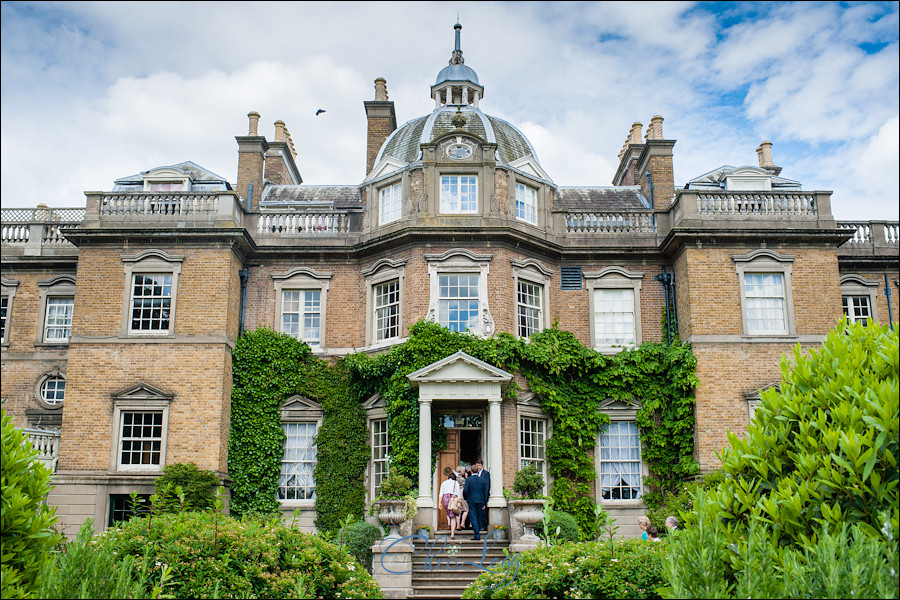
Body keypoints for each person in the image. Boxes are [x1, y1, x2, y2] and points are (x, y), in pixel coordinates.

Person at [463, 463, 489, 540]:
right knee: (479, 517)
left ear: (471, 471)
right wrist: (484, 502)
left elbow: (465, 490)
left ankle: (477, 534)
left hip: (471, 500)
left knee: (473, 517)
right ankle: (477, 532)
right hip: (480, 500)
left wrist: (466, 498)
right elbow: (485, 491)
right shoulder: (482, 480)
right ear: (478, 471)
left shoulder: (469, 479)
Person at [439, 472, 461, 539]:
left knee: (448, 511)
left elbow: (440, 494)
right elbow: (459, 493)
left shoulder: (444, 483)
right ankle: (452, 533)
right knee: (453, 517)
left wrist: (439, 503)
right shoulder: (456, 483)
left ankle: (449, 522)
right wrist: (459, 502)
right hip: (453, 499)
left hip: (446, 498)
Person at [473, 459, 491, 532]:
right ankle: (479, 526)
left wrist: (485, 497)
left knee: (484, 512)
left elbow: (487, 486)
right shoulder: (474, 474)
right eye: (477, 466)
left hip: (483, 495)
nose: (478, 467)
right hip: (476, 496)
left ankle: (484, 526)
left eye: (479, 465)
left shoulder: (485, 473)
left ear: (482, 465)